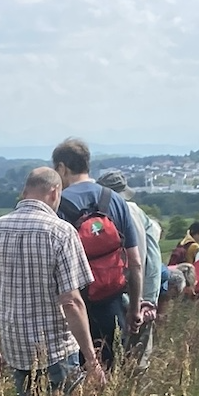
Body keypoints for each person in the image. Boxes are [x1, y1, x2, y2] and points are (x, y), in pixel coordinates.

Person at [0, 167, 107, 396]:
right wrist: (91, 360)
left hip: (16, 350)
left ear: (24, 192)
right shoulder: (61, 232)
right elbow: (71, 302)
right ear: (54, 192)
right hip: (56, 350)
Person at [51, 139, 143, 371]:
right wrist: (134, 308)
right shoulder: (116, 200)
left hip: (75, 309)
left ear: (62, 168)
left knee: (81, 379)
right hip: (113, 304)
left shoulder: (58, 206)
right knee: (113, 373)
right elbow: (135, 263)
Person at [96, 169, 162, 369]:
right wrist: (149, 300)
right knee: (137, 363)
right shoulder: (138, 213)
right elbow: (153, 259)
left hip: (111, 299)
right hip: (141, 298)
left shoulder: (99, 217)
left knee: (109, 361)